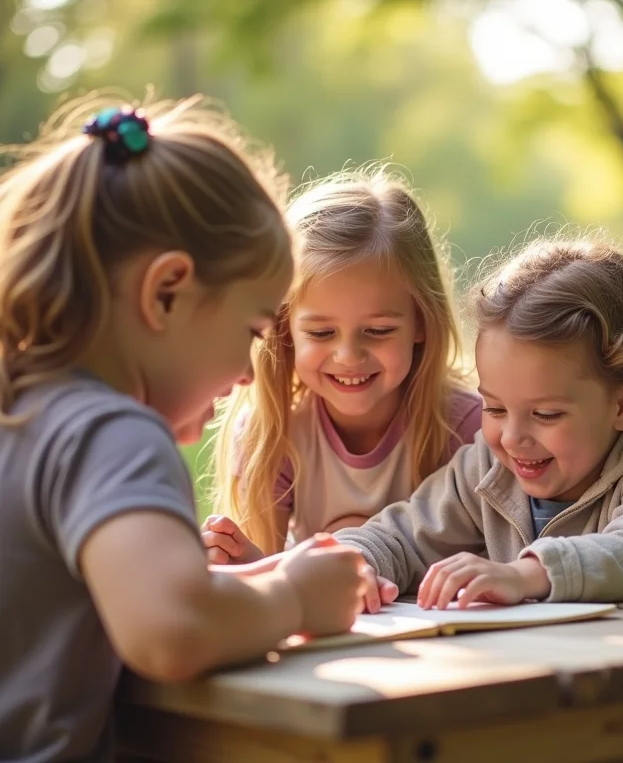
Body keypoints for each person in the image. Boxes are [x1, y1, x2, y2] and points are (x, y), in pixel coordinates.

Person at [0, 95, 364, 762]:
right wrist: (294, 601)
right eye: (254, 329)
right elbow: (172, 630)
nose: (253, 374)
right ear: (167, 291)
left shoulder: (22, 411)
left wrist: (259, 577)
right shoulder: (110, 431)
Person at [334, 238, 623, 612]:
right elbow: (401, 536)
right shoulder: (485, 470)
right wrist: (354, 562)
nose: (512, 438)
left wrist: (525, 574)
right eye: (494, 408)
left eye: (546, 414)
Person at [204, 169, 482, 561]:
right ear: (284, 330)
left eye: (378, 330)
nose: (349, 356)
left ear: (421, 321)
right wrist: (243, 561)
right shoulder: (274, 434)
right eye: (320, 333)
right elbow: (265, 578)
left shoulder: (469, 429)